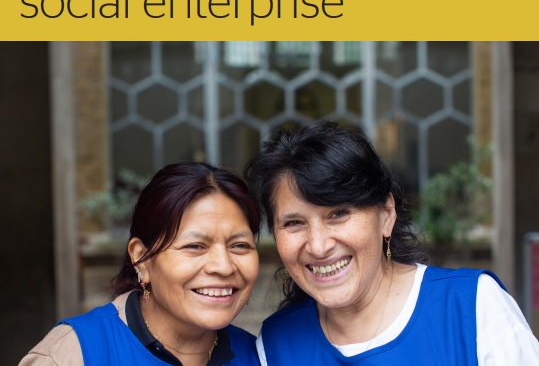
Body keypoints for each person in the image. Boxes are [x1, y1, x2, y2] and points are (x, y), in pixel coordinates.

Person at [244, 121, 539, 365]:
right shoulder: (276, 344)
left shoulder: (470, 306)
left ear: (387, 214)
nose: (319, 246)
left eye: (338, 214)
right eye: (294, 223)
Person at [20, 162, 261, 366]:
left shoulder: (260, 356)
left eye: (239, 245)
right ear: (141, 258)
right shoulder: (74, 354)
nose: (224, 266)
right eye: (195, 246)